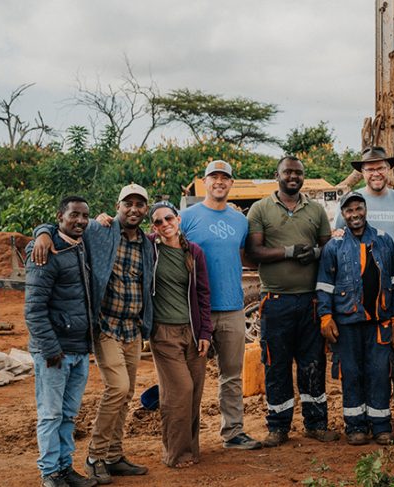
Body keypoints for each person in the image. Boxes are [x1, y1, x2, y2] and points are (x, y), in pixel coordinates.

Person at [34, 183, 155, 483]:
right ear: (118, 206)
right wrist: (42, 233)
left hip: (133, 328)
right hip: (105, 327)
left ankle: (114, 454)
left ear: (146, 211)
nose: (134, 209)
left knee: (126, 393)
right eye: (128, 203)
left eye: (140, 204)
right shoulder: (99, 231)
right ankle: (95, 455)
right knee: (116, 388)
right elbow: (64, 224)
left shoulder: (147, 244)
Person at [245, 156, 340, 446]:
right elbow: (254, 251)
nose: (293, 177)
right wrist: (288, 251)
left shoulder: (315, 210)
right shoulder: (260, 209)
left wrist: (313, 252)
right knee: (276, 364)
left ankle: (316, 423)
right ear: (277, 175)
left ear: (303, 177)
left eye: (298, 173)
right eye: (288, 172)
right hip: (274, 301)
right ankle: (278, 426)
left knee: (313, 364)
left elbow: (328, 247)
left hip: (310, 301)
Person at [334, 147, 394, 431]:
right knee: (365, 359)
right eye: (370, 169)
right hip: (359, 297)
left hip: (393, 291)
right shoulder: (353, 201)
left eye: (381, 167)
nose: (376, 173)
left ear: (389, 170)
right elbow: (339, 239)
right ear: (362, 173)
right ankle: (361, 417)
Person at [179, 160, 262, 450]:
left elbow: (243, 256)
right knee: (191, 378)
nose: (219, 182)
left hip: (232, 307)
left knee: (232, 374)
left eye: (224, 178)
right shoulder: (186, 217)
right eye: (214, 177)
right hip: (195, 311)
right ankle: (187, 439)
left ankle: (233, 432)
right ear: (204, 182)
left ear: (231, 183)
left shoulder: (240, 220)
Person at [317, 191, 394, 445]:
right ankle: (355, 426)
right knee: (351, 373)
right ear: (342, 215)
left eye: (358, 209)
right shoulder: (334, 245)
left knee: (379, 372)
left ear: (365, 210)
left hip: (380, 322)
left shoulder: (384, 241)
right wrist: (325, 317)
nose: (354, 215)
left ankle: (380, 426)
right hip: (347, 322)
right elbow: (324, 285)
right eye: (349, 211)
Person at [25, 196, 97, 487]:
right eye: (74, 215)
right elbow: (33, 309)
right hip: (55, 351)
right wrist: (51, 350)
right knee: (51, 414)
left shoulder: (81, 246)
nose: (80, 220)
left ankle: (65, 467)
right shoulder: (46, 250)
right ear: (60, 217)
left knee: (68, 415)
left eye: (84, 216)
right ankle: (49, 473)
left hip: (79, 348)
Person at [146, 201, 213, 469]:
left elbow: (203, 294)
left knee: (194, 392)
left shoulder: (194, 252)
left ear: (178, 219)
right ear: (153, 227)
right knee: (179, 391)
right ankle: (176, 453)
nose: (165, 225)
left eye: (168, 218)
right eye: (158, 222)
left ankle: (191, 449)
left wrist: (205, 330)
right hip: (163, 332)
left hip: (193, 332)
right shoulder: (149, 247)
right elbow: (119, 230)